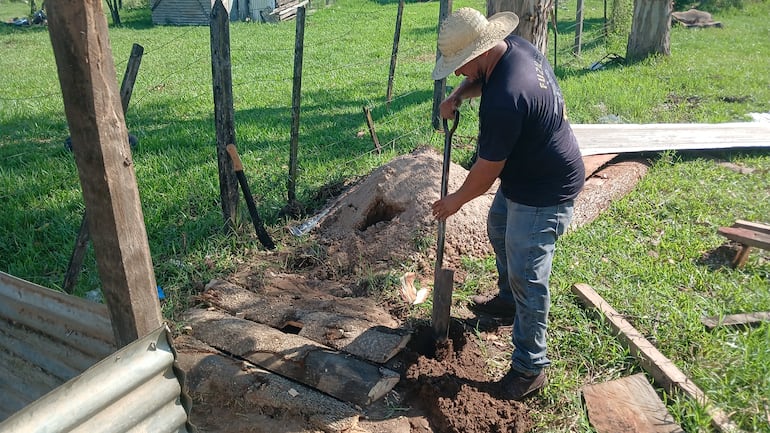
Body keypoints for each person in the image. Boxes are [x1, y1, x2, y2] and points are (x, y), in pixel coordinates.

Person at [430, 7, 585, 400]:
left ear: (478, 52)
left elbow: (483, 175)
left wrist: (454, 201)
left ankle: (530, 367)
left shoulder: (506, 98)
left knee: (528, 275)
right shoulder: (513, 48)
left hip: (545, 189)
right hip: (527, 170)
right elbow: (483, 79)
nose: (457, 73)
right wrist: (457, 95)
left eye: (460, 67)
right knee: (498, 226)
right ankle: (506, 301)